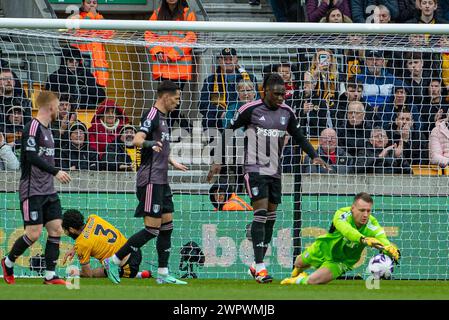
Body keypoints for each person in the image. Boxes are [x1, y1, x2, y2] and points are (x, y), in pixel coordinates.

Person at [207, 73, 330, 283]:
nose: (281, 97)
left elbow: (299, 137)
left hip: (275, 170)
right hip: (254, 169)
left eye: (283, 93)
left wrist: (315, 156)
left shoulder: (287, 113)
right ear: (265, 92)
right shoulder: (251, 109)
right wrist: (218, 160)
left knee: (271, 218)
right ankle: (262, 267)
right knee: (261, 213)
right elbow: (228, 131)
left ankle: (256, 264)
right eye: (277, 94)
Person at [103, 80, 188, 285]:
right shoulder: (151, 115)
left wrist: (171, 160)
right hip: (150, 180)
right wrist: (151, 144)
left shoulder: (164, 118)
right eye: (176, 98)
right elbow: (137, 140)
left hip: (161, 179)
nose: (178, 102)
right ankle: (113, 260)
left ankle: (163, 273)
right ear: (165, 97)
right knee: (152, 229)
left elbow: (160, 147)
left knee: (167, 226)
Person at [1, 91, 72, 285]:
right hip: (32, 189)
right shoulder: (32, 127)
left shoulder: (50, 130)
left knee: (56, 230)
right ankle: (7, 262)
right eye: (58, 107)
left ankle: (50, 275)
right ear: (50, 107)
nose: (60, 110)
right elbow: (31, 157)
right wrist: (56, 171)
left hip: (49, 190)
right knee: (33, 234)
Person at [280, 192, 400, 285]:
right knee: (299, 262)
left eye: (368, 211)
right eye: (362, 210)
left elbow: (382, 239)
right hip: (323, 247)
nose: (365, 215)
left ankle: (296, 281)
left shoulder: (372, 225)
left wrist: (389, 249)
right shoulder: (341, 214)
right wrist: (363, 239)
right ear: (353, 208)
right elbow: (346, 230)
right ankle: (297, 272)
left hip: (342, 261)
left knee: (313, 281)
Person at [145, 0, 197, 132]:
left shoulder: (188, 14)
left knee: (174, 104)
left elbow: (191, 37)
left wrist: (172, 54)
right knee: (163, 103)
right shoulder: (157, 13)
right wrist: (158, 51)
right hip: (162, 69)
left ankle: (165, 133)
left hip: (180, 69)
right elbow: (148, 34)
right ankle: (177, 128)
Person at [61, 209, 151, 279]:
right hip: (134, 250)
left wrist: (76, 273)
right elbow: (88, 235)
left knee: (94, 273)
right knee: (108, 267)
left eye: (65, 230)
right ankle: (141, 275)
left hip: (126, 266)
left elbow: (87, 274)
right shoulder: (93, 218)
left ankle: (133, 274)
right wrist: (74, 248)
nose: (65, 232)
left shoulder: (82, 244)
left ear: (71, 229)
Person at [199, 48, 258, 130]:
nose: (227, 62)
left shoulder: (250, 78)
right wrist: (220, 113)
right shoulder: (211, 80)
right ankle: (215, 141)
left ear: (236, 59)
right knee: (209, 118)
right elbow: (202, 104)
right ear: (219, 61)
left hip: (243, 113)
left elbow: (257, 99)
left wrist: (241, 111)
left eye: (231, 59)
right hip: (221, 116)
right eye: (224, 59)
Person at [69, 0, 114, 87]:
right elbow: (80, 32)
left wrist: (96, 17)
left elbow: (109, 34)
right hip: (82, 66)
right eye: (89, 3)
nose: (92, 5)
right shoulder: (76, 17)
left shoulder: (100, 18)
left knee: (99, 97)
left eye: (94, 3)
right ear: (83, 4)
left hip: (99, 70)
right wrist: (90, 16)